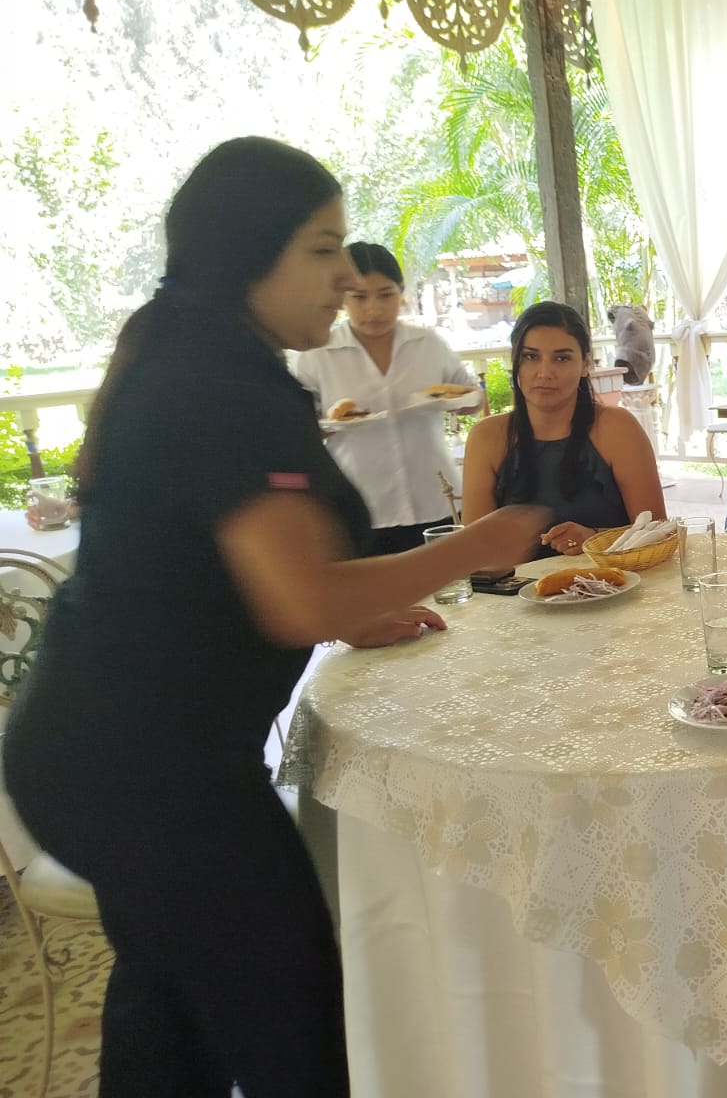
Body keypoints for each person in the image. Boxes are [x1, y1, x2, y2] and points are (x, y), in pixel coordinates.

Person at [2, 138, 545, 1097]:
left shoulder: (189, 349)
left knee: (170, 1010)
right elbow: (301, 597)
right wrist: (478, 544)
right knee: (294, 1030)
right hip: (156, 774)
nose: (344, 278)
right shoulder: (223, 385)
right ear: (245, 251)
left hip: (88, 751)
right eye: (321, 249)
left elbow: (230, 574)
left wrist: (348, 612)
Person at [292, 242, 482, 554]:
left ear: (401, 293)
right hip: (362, 503)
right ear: (343, 297)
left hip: (434, 497)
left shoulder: (427, 343)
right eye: (359, 297)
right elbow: (298, 429)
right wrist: (329, 424)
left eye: (385, 295)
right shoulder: (317, 354)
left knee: (449, 582)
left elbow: (471, 397)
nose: (374, 309)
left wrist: (459, 403)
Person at [462, 300, 665, 558]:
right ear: (515, 362)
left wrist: (595, 538)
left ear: (585, 364)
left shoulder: (616, 428)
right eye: (530, 356)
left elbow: (658, 531)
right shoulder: (487, 437)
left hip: (612, 577)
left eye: (562, 358)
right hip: (516, 583)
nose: (545, 372)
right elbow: (474, 550)